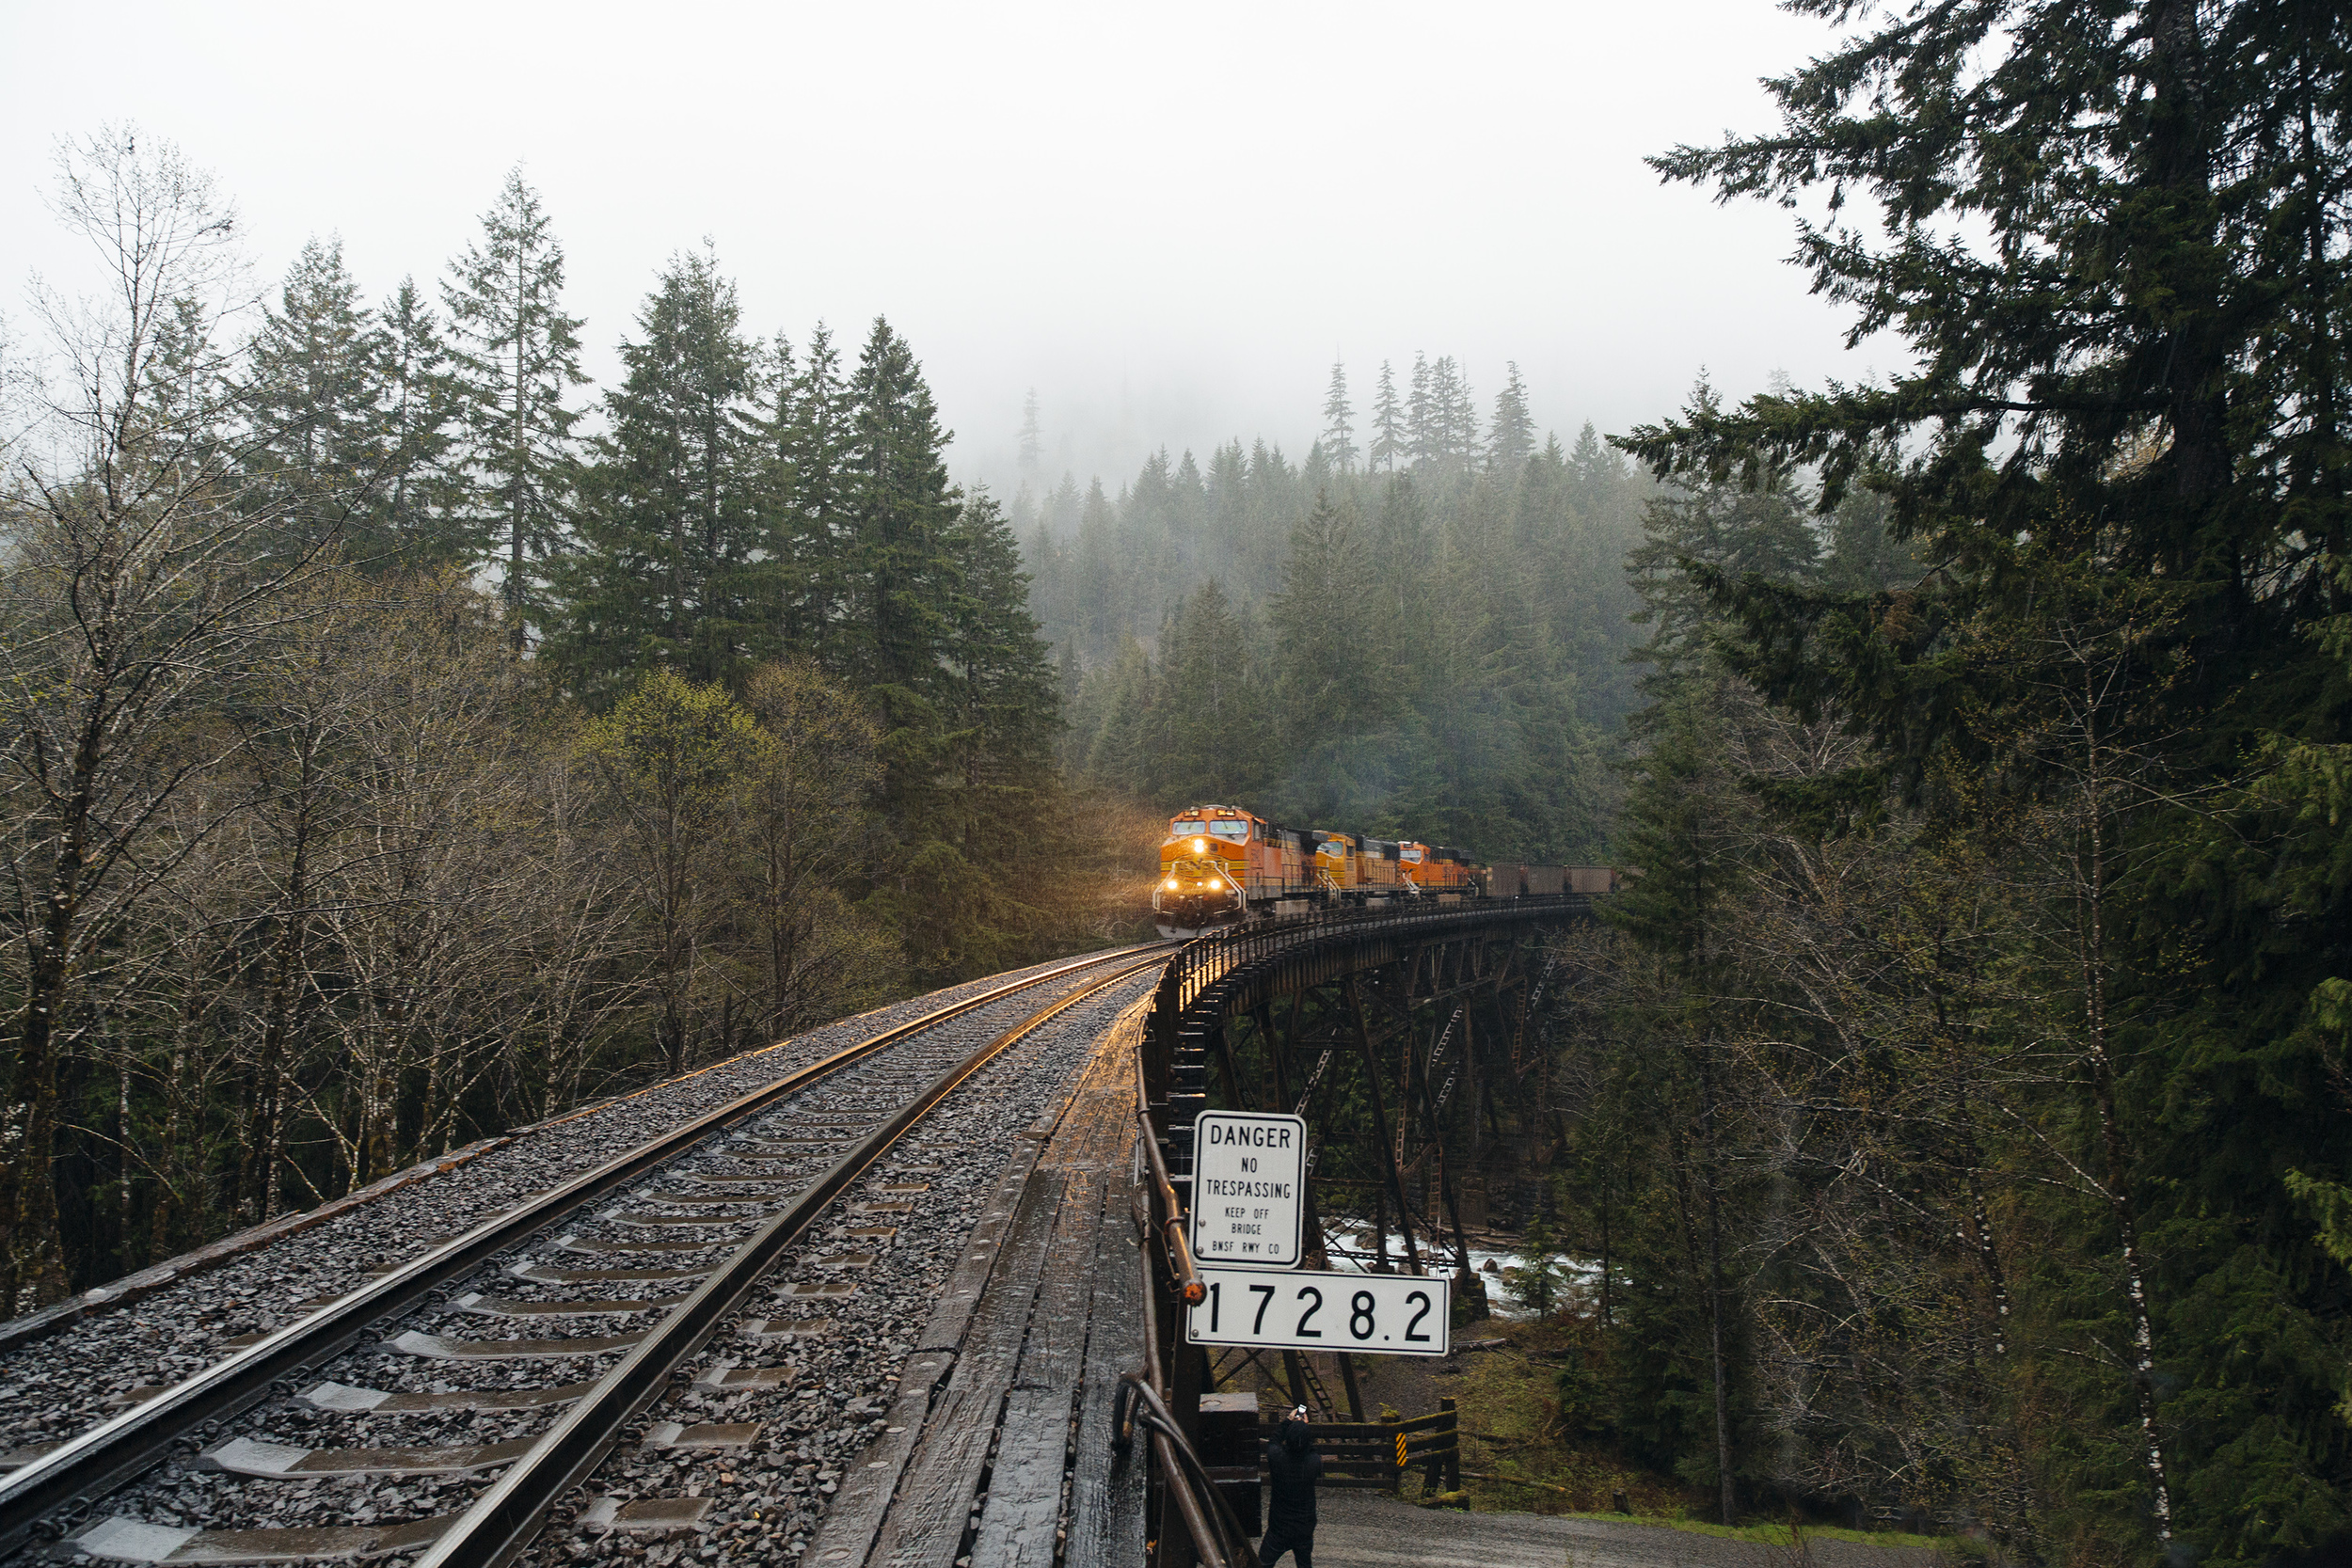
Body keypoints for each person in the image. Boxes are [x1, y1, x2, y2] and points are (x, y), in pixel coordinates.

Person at [1259, 1404, 1324, 1568]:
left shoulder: (1277, 1458)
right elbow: (1311, 1450)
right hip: (1304, 1527)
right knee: (1304, 1564)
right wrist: (1304, 1428)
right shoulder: (1313, 1463)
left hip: (1279, 1528)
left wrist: (1288, 1421)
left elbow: (1273, 1440)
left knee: (1263, 1563)